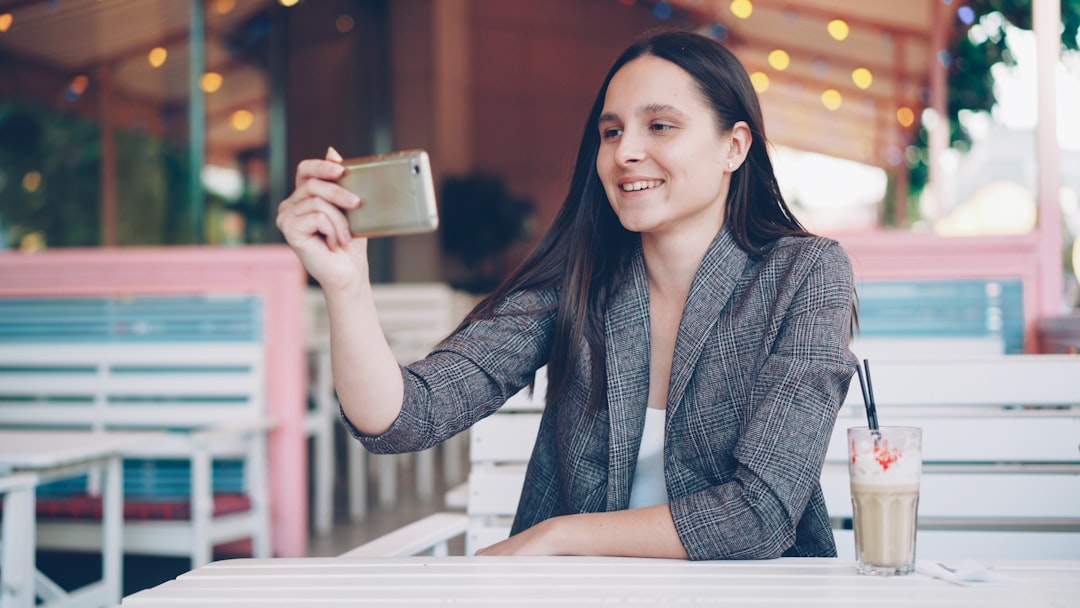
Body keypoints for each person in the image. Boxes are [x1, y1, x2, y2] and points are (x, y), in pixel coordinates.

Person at [276, 30, 858, 561]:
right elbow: (406, 417)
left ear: (734, 147)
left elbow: (759, 514)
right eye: (611, 131)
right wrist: (345, 283)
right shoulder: (580, 275)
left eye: (660, 126)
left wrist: (561, 535)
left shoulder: (805, 275)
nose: (625, 151)